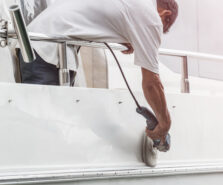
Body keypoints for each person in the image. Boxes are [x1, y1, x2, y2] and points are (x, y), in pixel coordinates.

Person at [20, 0, 179, 149]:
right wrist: (165, 124)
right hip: (46, 47)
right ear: (166, 15)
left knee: (62, 116)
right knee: (42, 125)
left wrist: (122, 36)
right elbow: (152, 84)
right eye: (164, 27)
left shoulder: (137, 5)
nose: (158, 32)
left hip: (45, 38)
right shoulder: (152, 18)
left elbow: (98, 14)